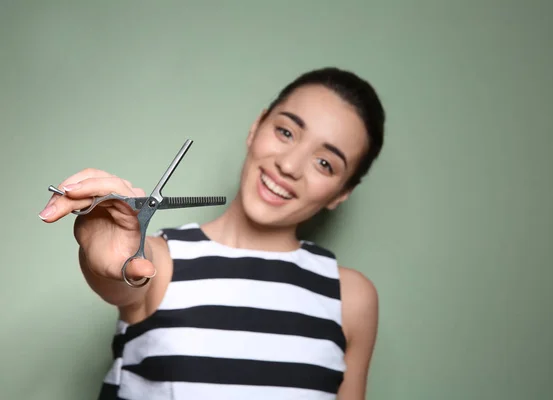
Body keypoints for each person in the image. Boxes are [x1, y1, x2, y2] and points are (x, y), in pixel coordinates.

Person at [39, 67, 385, 400]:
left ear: (341, 193)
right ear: (256, 127)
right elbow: (121, 280)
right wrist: (107, 261)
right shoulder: (159, 260)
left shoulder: (351, 298)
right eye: (286, 132)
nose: (289, 166)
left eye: (325, 163)